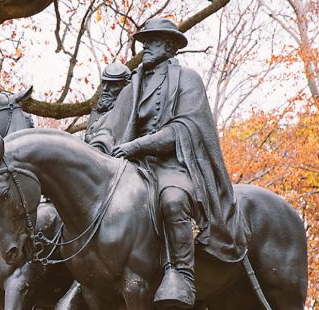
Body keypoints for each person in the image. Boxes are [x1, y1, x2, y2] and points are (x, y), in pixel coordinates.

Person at [89, 18, 248, 308]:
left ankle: (182, 275)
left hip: (173, 164)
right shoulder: (133, 85)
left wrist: (137, 145)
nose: (146, 46)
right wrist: (95, 148)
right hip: (133, 167)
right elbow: (109, 128)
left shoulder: (187, 79)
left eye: (154, 40)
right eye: (145, 41)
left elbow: (186, 127)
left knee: (173, 200)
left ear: (171, 46)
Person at [84, 63, 130, 143]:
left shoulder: (127, 114)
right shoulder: (97, 111)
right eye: (104, 83)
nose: (105, 89)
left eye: (112, 85)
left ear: (126, 87)